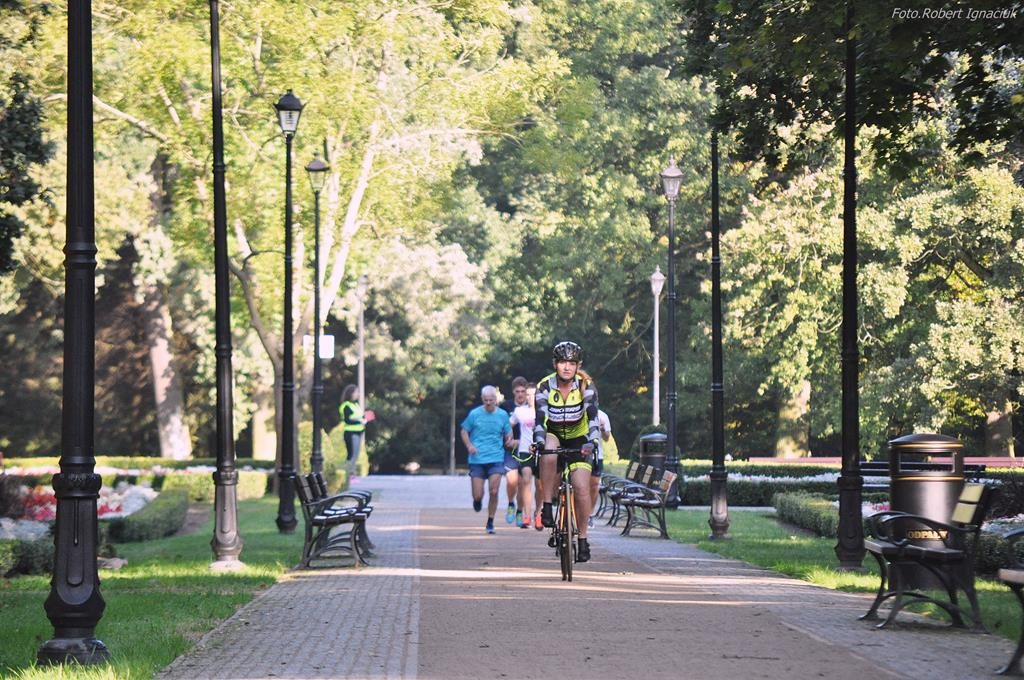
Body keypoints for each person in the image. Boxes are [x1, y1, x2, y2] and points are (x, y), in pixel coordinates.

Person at [533, 341, 600, 562]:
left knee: (581, 487)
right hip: (553, 433)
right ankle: (547, 506)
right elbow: (540, 418)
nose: (567, 367)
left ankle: (583, 539)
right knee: (549, 450)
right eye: (562, 362)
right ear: (555, 364)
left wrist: (593, 441)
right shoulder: (545, 386)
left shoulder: (585, 385)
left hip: (579, 437)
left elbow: (592, 415)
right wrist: (539, 440)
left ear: (578, 365)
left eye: (572, 363)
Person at [461, 385, 513, 534]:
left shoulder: (502, 415)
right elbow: (464, 431)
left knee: (494, 491)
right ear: (482, 399)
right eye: (486, 400)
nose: (489, 403)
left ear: (496, 399)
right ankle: (477, 501)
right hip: (477, 459)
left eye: (491, 400)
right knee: (478, 494)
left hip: (496, 458)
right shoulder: (474, 414)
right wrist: (469, 446)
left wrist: (509, 440)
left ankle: (490, 521)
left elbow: (508, 432)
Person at [506, 377, 539, 528]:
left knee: (540, 485)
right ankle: (525, 514)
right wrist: (509, 438)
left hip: (541, 450)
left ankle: (537, 513)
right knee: (523, 480)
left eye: (534, 395)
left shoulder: (544, 410)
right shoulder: (518, 410)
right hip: (523, 450)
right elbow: (507, 425)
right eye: (528, 395)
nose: (530, 398)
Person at [340, 384, 375, 478]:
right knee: (351, 455)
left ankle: (352, 475)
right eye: (356, 392)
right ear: (350, 393)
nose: (358, 394)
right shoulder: (346, 406)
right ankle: (349, 476)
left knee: (355, 455)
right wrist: (360, 421)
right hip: (351, 433)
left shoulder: (356, 404)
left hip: (359, 432)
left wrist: (366, 417)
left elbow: (360, 416)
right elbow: (347, 420)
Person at [590, 409, 612, 527]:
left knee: (594, 486)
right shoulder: (578, 412)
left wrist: (602, 428)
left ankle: (590, 514)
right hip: (579, 453)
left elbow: (607, 438)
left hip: (597, 456)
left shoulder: (602, 416)